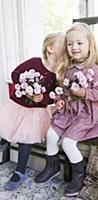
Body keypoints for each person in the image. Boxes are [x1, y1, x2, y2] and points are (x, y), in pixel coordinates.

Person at [35, 22, 98, 197]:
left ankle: (79, 177)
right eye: (70, 44)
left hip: (84, 115)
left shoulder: (94, 70)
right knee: (51, 135)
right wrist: (59, 100)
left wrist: (84, 92)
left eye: (79, 43)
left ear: (90, 45)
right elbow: (62, 89)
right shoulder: (67, 68)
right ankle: (51, 167)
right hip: (67, 112)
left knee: (68, 143)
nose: (74, 47)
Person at [0, 32, 65, 190]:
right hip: (16, 106)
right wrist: (24, 88)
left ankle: (20, 172)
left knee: (25, 139)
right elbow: (15, 74)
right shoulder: (35, 62)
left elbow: (53, 97)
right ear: (50, 48)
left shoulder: (60, 73)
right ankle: (3, 143)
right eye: (64, 44)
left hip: (35, 113)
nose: (68, 47)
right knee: (6, 128)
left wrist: (42, 98)